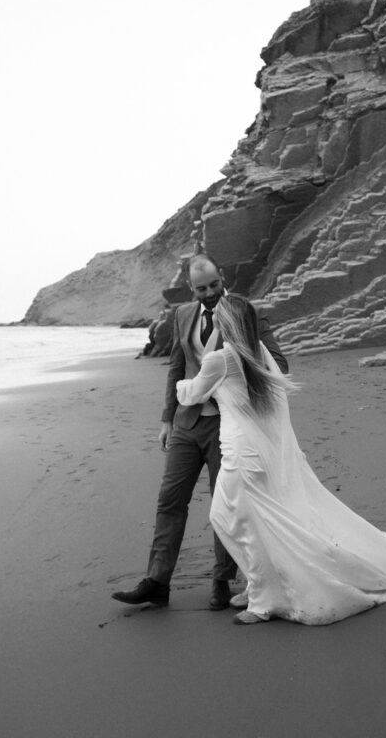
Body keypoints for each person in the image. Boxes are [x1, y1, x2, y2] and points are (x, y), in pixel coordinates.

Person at [174, 294, 386, 624]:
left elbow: (193, 393)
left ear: (225, 325)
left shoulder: (219, 360)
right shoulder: (257, 354)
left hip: (240, 452)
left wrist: (182, 382)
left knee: (231, 519)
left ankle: (263, 604)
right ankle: (258, 587)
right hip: (258, 452)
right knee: (250, 521)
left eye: (220, 319)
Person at [112, 256, 288, 611]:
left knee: (224, 504)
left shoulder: (242, 311)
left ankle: (222, 581)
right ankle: (157, 582)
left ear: (222, 277)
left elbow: (279, 364)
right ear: (191, 289)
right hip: (186, 423)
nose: (209, 294)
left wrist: (233, 360)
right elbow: (176, 366)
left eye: (213, 285)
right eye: (201, 289)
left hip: (229, 426)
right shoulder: (182, 315)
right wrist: (166, 419)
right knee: (170, 499)